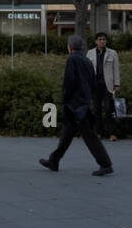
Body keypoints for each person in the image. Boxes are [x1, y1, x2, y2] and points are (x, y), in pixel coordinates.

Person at [40, 35, 113, 176]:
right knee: (67, 133)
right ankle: (53, 160)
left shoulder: (72, 59)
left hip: (75, 105)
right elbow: (93, 81)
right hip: (83, 103)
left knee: (88, 135)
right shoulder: (87, 61)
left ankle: (106, 164)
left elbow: (69, 81)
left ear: (69, 47)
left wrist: (65, 99)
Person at [91, 32, 121, 141]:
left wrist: (117, 84)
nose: (102, 41)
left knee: (109, 110)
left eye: (104, 39)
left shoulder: (112, 53)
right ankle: (98, 133)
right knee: (97, 110)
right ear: (96, 41)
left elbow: (116, 69)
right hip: (95, 86)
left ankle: (112, 133)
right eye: (100, 39)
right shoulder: (90, 53)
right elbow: (87, 70)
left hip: (108, 85)